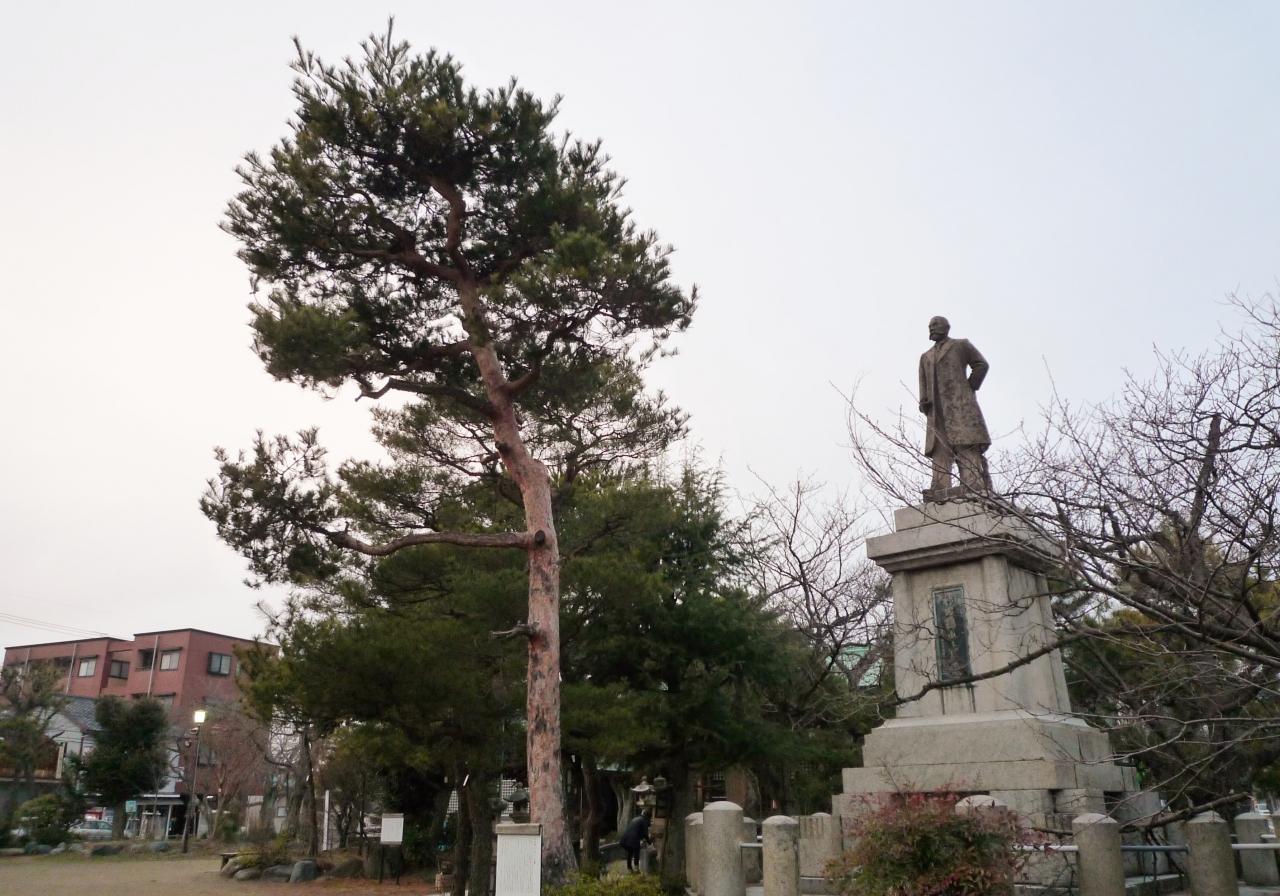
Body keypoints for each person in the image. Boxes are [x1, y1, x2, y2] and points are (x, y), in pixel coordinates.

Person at [918, 316, 992, 495]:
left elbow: (981, 364)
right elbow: (923, 381)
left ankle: (972, 481)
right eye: (929, 326)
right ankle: (939, 487)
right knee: (940, 448)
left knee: (966, 443)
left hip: (960, 407)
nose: (931, 328)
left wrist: (968, 387)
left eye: (935, 325)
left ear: (947, 327)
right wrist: (923, 401)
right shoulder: (925, 357)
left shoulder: (960, 345)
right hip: (936, 412)